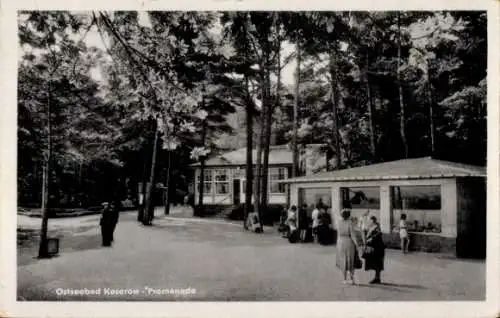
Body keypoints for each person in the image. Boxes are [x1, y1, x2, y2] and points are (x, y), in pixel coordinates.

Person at [335, 209, 359, 284]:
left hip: (340, 241)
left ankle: (344, 279)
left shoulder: (338, 222)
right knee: (351, 259)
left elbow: (338, 233)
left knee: (342, 259)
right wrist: (356, 244)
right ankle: (352, 279)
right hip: (348, 242)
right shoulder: (350, 223)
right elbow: (352, 235)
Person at [363, 216, 385, 284]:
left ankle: (377, 278)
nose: (369, 222)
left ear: (372, 221)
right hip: (374, 248)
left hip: (378, 248)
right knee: (375, 263)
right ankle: (377, 278)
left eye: (370, 220)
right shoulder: (372, 227)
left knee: (377, 263)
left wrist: (371, 239)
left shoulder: (376, 227)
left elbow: (378, 236)